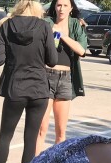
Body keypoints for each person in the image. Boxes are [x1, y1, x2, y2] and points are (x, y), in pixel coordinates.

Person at [0, 0, 56, 163]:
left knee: (6, 135)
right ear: (37, 9)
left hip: (15, 87)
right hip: (39, 89)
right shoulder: (44, 27)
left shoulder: (6, 26)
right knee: (31, 137)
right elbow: (52, 60)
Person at [36, 0, 87, 154]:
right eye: (59, 5)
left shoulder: (75, 25)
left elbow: (81, 50)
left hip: (65, 79)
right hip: (46, 76)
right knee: (41, 128)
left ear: (71, 8)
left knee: (60, 131)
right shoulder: (46, 22)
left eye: (65, 5)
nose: (61, 8)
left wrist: (62, 35)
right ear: (54, 7)